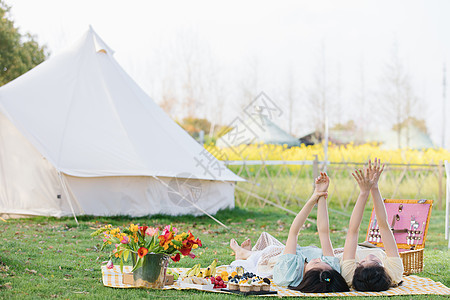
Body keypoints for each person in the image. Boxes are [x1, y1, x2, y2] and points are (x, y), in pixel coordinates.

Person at [229, 173, 349, 293]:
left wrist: (313, 199)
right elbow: (324, 233)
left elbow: (294, 232)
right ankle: (247, 253)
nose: (319, 260)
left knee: (266, 253)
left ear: (308, 277)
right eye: (322, 262)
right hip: (294, 253)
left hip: (270, 263)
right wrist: (321, 194)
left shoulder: (288, 273)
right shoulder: (330, 272)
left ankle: (243, 253)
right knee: (276, 248)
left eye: (316, 264)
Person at [339, 158, 404, 291]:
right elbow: (384, 226)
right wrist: (374, 187)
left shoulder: (349, 276)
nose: (368, 257)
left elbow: (353, 231)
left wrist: (364, 193)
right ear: (384, 270)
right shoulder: (394, 273)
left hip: (341, 253)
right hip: (366, 245)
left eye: (362, 262)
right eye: (374, 261)